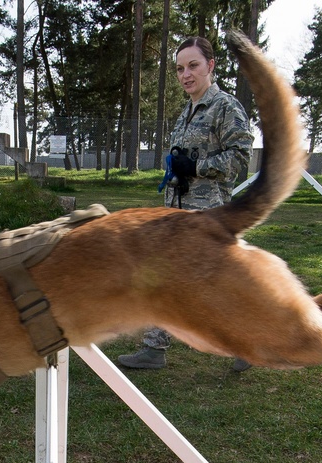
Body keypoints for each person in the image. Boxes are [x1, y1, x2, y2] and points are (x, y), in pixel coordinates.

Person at [118, 36, 254, 371]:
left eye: (193, 66)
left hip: (210, 214)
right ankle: (154, 347)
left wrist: (195, 166)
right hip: (177, 212)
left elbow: (239, 158)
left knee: (215, 282)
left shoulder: (226, 107)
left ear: (210, 66)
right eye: (180, 68)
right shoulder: (186, 113)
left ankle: (250, 342)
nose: (185, 74)